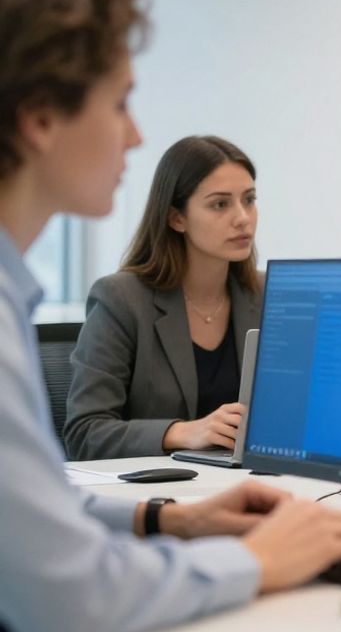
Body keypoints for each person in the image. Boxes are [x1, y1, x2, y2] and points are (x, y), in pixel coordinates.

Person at [0, 0, 341, 632]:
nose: (135, 134)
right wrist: (258, 562)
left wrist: (170, 518)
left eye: (249, 201)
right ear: (42, 119)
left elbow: (29, 513)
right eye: (120, 101)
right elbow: (70, 592)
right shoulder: (111, 299)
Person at [65, 136, 262, 460]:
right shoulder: (121, 300)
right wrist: (183, 432)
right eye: (220, 204)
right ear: (176, 218)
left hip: (255, 486)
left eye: (249, 199)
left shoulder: (269, 296)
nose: (243, 217)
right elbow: (85, 433)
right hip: (161, 495)